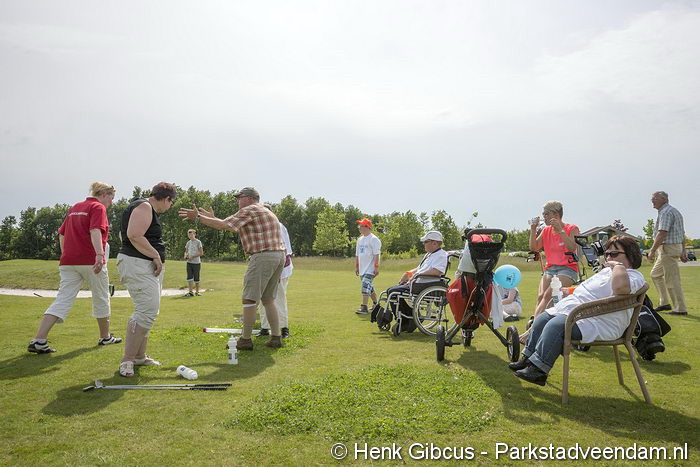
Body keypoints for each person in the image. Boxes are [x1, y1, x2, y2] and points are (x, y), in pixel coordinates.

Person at [509, 235, 645, 386]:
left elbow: (620, 288)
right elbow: (588, 289)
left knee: (556, 326)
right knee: (543, 319)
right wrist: (569, 291)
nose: (608, 258)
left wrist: (618, 266)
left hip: (601, 320)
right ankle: (528, 359)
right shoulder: (607, 272)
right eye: (607, 253)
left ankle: (538, 370)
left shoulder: (633, 276)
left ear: (631, 255)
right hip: (583, 314)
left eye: (614, 254)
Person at [179, 187, 286, 351]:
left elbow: (224, 225)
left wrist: (198, 217)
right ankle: (276, 337)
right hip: (278, 255)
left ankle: (245, 339)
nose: (238, 201)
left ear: (249, 198)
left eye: (240, 197)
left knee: (249, 299)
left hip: (262, 256)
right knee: (268, 299)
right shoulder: (264, 210)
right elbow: (228, 224)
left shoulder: (250, 210)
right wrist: (212, 218)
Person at [27, 182, 120, 353]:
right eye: (111, 198)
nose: (111, 202)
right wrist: (99, 255)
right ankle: (105, 337)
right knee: (101, 297)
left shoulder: (74, 207)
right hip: (91, 260)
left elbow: (61, 234)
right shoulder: (97, 207)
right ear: (104, 194)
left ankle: (39, 340)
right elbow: (95, 230)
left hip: (68, 261)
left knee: (63, 299)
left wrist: (66, 254)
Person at [117, 182, 177, 377]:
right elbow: (134, 235)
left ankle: (139, 356)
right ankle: (127, 359)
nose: (170, 206)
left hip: (143, 264)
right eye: (171, 202)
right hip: (138, 264)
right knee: (146, 310)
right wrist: (155, 255)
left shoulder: (145, 208)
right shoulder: (144, 206)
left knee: (149, 310)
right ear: (167, 199)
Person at [522, 200, 580, 342]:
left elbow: (572, 248)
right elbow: (534, 247)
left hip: (567, 268)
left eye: (546, 214)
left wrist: (561, 231)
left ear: (556, 214)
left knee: (549, 295)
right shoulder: (546, 230)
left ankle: (531, 332)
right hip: (551, 268)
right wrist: (533, 229)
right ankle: (536, 327)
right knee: (541, 296)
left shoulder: (572, 228)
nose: (544, 217)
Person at [384, 231, 448, 318]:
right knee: (390, 290)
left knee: (393, 291)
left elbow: (437, 271)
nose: (423, 244)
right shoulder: (429, 255)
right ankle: (406, 318)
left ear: (435, 243)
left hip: (425, 285)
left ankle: (406, 319)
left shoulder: (441, 255)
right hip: (418, 283)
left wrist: (417, 275)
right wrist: (408, 274)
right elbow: (419, 269)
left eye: (426, 242)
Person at [649, 191, 688, 315]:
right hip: (669, 249)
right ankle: (664, 303)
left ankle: (680, 309)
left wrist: (652, 250)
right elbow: (681, 233)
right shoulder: (672, 211)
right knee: (655, 274)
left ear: (664, 199)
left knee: (672, 279)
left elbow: (662, 233)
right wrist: (683, 250)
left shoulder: (666, 212)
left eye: (655, 198)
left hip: (668, 249)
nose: (652, 201)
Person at [260, 206, 293, 338]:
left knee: (279, 297)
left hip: (281, 268)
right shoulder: (261, 227)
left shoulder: (278, 226)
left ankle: (284, 328)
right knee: (263, 298)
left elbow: (284, 250)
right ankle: (264, 328)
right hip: (266, 267)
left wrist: (277, 272)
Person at [354, 218, 381, 315]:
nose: (359, 228)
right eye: (359, 226)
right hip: (362, 269)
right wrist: (357, 266)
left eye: (361, 226)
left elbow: (376, 254)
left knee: (365, 285)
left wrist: (376, 267)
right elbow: (357, 254)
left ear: (367, 227)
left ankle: (364, 307)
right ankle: (376, 304)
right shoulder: (360, 239)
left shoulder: (374, 239)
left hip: (370, 268)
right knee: (369, 287)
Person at [184, 229, 204, 296]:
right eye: (189, 234)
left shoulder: (198, 242)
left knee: (196, 277)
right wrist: (185, 256)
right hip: (189, 263)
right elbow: (186, 251)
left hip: (196, 263)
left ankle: (197, 292)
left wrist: (192, 256)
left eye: (191, 234)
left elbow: (201, 253)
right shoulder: (188, 243)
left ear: (195, 234)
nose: (190, 236)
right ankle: (190, 292)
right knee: (189, 277)